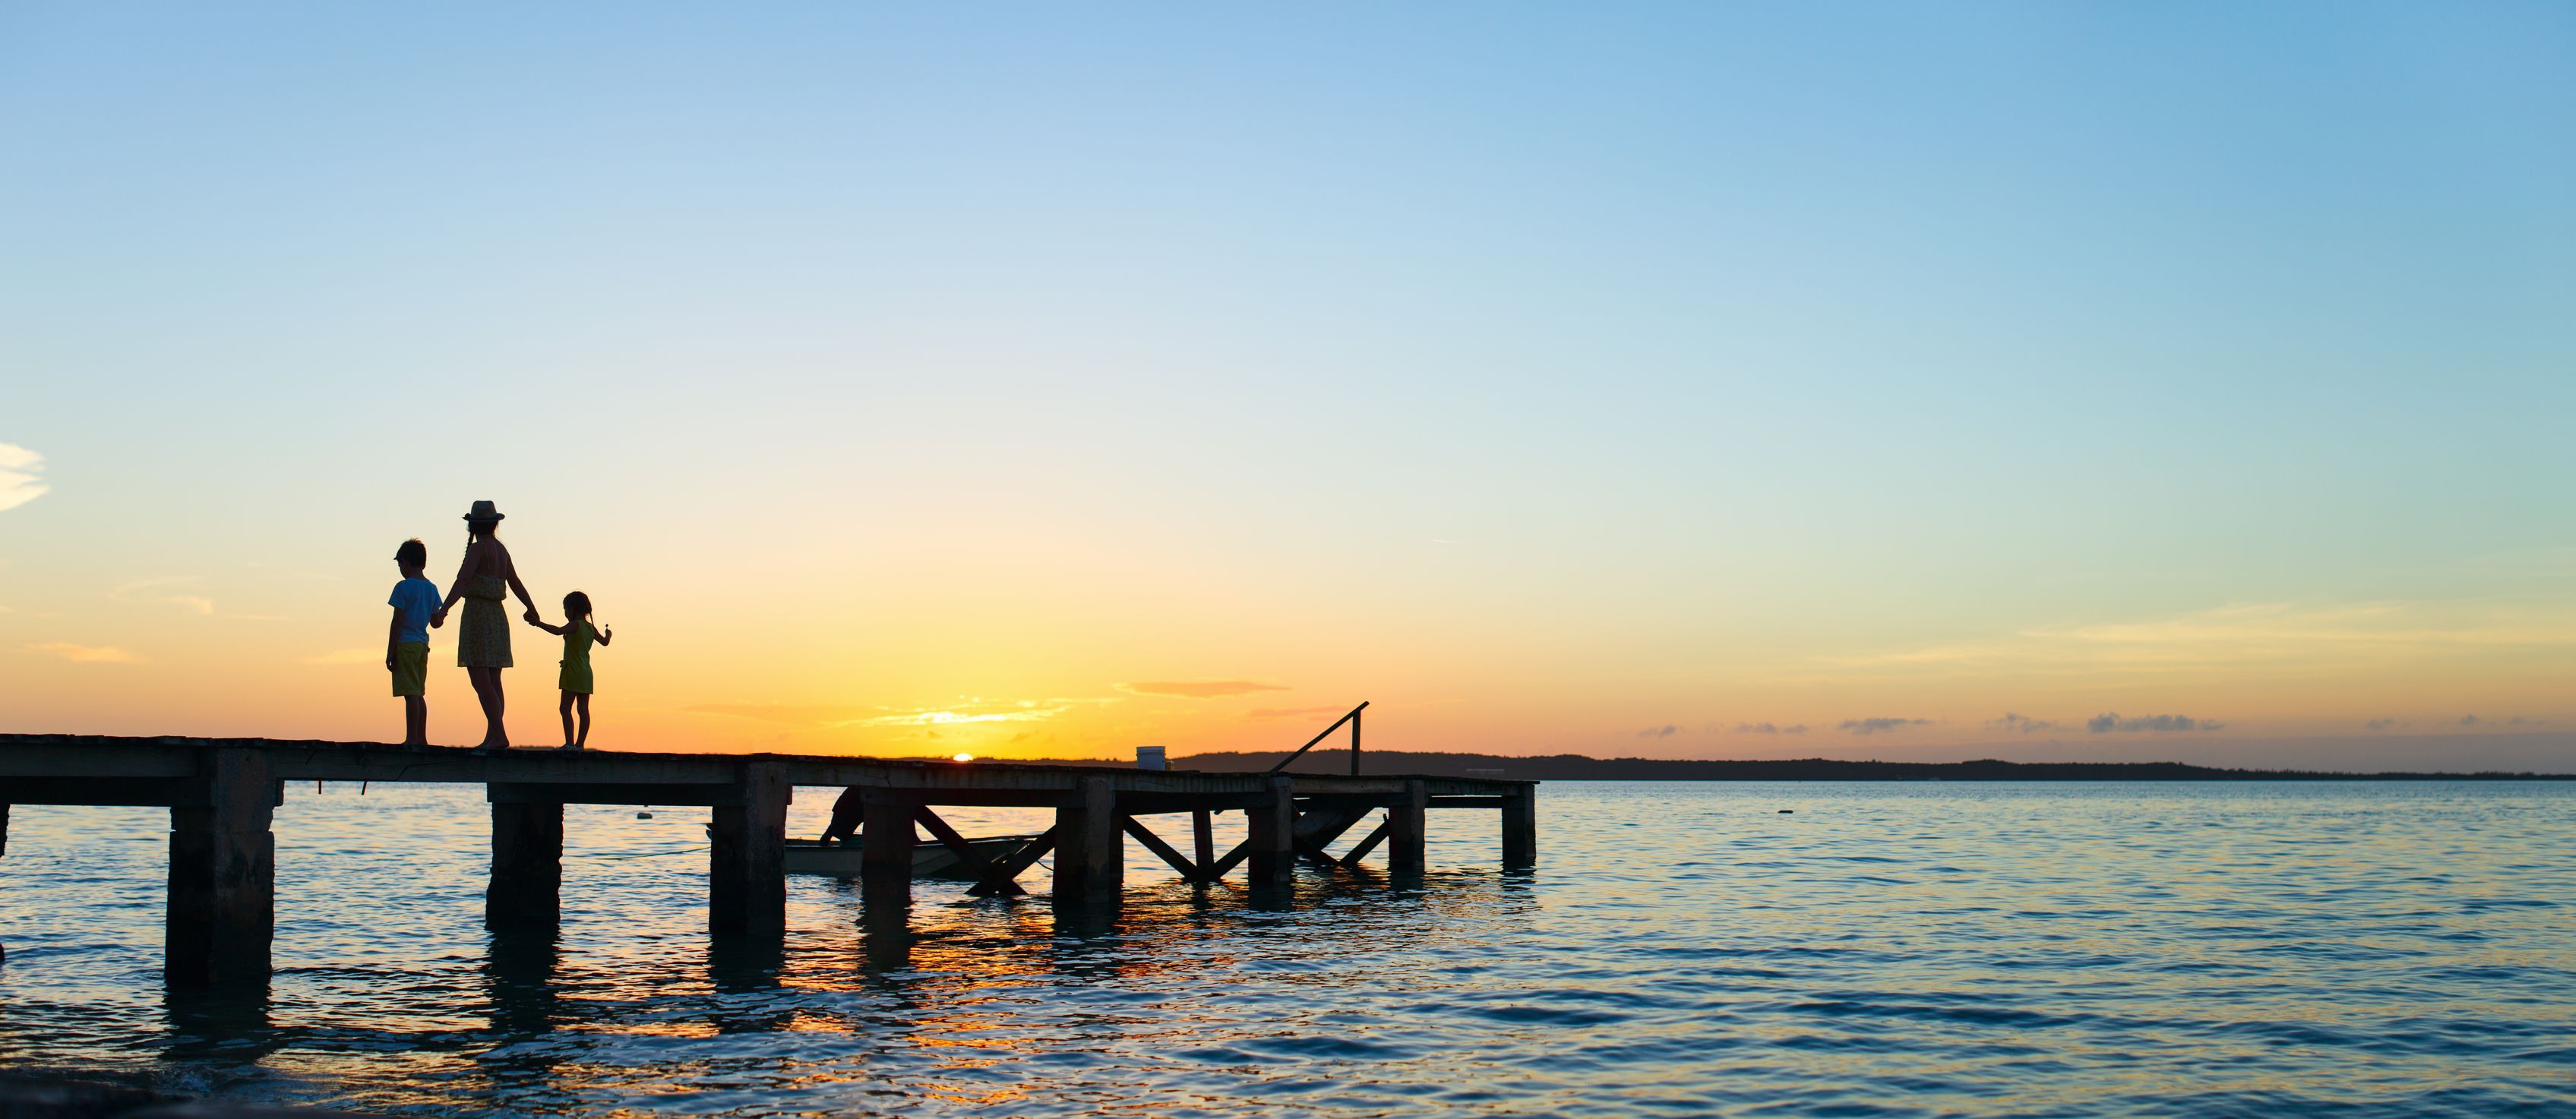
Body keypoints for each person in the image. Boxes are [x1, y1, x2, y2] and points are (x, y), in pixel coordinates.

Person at [435, 500, 543, 751]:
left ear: (472, 525)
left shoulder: (477, 549)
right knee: (494, 680)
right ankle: (493, 736)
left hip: (478, 616)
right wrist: (531, 607)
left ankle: (499, 734)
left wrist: (444, 610)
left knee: (481, 680)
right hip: (497, 617)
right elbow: (515, 582)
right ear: (495, 524)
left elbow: (463, 581)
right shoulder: (501, 550)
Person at [528, 590, 612, 751]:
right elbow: (605, 642)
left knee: (565, 708)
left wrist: (538, 623)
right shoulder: (590, 628)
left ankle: (569, 743)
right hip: (586, 673)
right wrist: (609, 634)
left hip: (572, 672)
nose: (565, 613)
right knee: (583, 710)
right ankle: (580, 745)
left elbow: (558, 631)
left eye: (565, 609)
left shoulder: (575, 625)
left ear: (573, 609)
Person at [385, 538, 442, 745]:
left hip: (405, 644)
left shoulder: (403, 587)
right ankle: (421, 738)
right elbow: (435, 623)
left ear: (405, 562)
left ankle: (411, 739)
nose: (400, 569)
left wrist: (390, 651)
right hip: (422, 646)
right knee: (419, 693)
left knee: (410, 694)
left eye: (400, 565)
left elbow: (397, 621)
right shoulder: (432, 588)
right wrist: (443, 614)